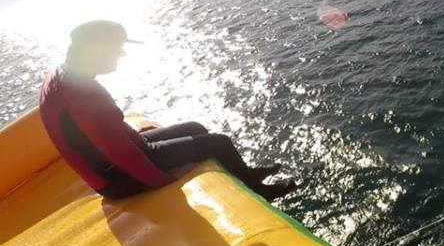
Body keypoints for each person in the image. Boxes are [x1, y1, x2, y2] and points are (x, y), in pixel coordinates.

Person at [38, 20, 298, 201]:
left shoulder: (63, 76)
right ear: (95, 51)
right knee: (219, 143)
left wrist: (142, 139)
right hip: (116, 178)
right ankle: (259, 191)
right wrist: (165, 180)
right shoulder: (83, 93)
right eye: (117, 49)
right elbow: (122, 155)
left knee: (196, 128)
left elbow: (107, 130)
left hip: (110, 163)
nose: (122, 54)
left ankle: (245, 175)